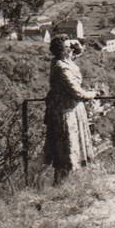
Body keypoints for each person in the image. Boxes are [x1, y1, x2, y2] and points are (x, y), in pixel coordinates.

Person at [43, 36, 98, 182]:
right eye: (69, 47)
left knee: (72, 144)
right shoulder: (61, 67)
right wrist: (92, 94)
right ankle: (62, 183)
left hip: (72, 109)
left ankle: (71, 181)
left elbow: (77, 53)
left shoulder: (65, 61)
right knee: (66, 146)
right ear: (63, 51)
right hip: (65, 111)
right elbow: (76, 92)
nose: (72, 49)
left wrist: (76, 44)